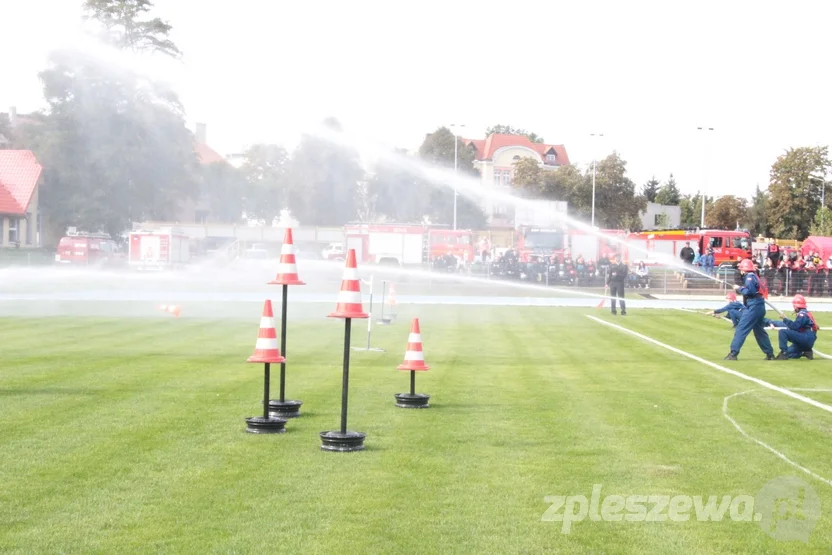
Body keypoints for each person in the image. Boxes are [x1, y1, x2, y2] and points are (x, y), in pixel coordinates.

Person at [724, 258, 775, 361]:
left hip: (753, 306)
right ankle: (770, 354)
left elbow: (750, 291)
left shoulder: (749, 277)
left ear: (744, 269)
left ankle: (733, 353)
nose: (740, 271)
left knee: (741, 329)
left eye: (741, 269)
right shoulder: (754, 276)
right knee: (759, 331)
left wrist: (739, 288)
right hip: (759, 305)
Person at [768, 294, 818, 360]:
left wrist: (784, 319)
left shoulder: (802, 314)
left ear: (796, 306)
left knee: (783, 332)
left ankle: (784, 353)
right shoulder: (807, 313)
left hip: (805, 338)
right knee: (790, 353)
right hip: (808, 339)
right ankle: (805, 352)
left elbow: (795, 326)